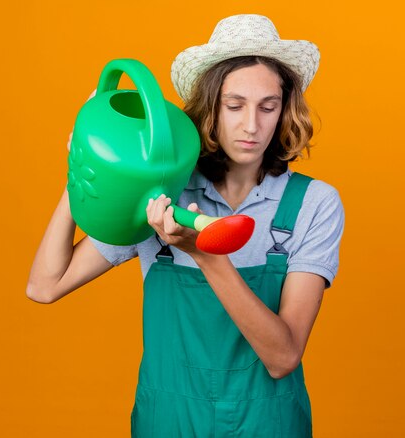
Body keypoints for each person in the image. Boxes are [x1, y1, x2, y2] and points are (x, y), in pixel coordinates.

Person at [27, 14, 344, 437]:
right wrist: (86, 166)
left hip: (268, 426)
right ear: (209, 108)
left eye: (268, 107)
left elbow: (282, 357)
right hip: (167, 424)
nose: (252, 125)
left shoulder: (312, 204)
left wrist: (203, 253)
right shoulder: (161, 192)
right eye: (234, 106)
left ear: (285, 110)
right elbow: (45, 286)